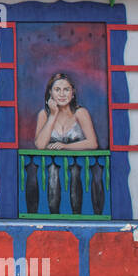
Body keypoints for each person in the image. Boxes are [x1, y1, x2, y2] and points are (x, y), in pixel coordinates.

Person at [29, 73, 102, 215]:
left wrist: (65, 146)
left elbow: (93, 143)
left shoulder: (80, 113)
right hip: (52, 174)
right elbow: (40, 145)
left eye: (66, 89)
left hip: (78, 172)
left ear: (73, 93)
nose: (62, 94)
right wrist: (53, 115)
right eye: (57, 90)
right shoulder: (44, 115)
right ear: (50, 93)